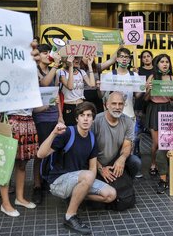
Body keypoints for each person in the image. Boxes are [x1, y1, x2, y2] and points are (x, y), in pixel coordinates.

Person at [37, 102, 116, 235]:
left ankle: (76, 196)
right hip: (58, 182)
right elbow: (40, 154)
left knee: (111, 195)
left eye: (89, 115)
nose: (85, 118)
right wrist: (53, 133)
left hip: (78, 180)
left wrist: (87, 184)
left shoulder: (91, 138)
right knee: (89, 176)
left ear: (93, 119)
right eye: (82, 115)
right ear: (76, 118)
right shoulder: (68, 133)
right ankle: (70, 216)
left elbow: (93, 167)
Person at [33, 43, 64, 204]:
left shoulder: (56, 73)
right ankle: (37, 186)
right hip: (41, 118)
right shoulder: (35, 72)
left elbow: (56, 95)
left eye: (48, 52)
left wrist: (60, 116)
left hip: (53, 117)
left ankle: (48, 180)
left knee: (54, 151)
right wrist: (56, 65)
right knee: (40, 153)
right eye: (43, 53)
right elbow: (45, 84)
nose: (46, 55)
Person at [93, 92, 142, 182]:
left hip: (116, 161)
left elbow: (127, 145)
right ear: (107, 104)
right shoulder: (96, 121)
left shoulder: (128, 121)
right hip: (97, 162)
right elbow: (88, 151)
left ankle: (127, 183)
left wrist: (122, 159)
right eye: (114, 103)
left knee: (135, 162)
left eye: (120, 104)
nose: (117, 107)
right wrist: (100, 169)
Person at [144, 54, 173, 176]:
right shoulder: (152, 77)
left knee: (166, 141)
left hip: (168, 109)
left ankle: (164, 164)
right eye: (162, 62)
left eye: (167, 61)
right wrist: (149, 89)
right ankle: (153, 163)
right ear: (157, 64)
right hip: (154, 109)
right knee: (156, 142)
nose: (165, 64)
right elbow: (145, 98)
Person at [59, 55, 95, 126]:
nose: (77, 60)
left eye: (79, 57)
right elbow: (70, 86)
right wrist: (71, 66)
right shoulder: (61, 72)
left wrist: (90, 65)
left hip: (81, 105)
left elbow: (92, 84)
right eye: (74, 57)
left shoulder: (81, 72)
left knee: (81, 127)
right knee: (71, 129)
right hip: (69, 106)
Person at [134, 50, 154, 156]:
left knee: (152, 131)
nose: (146, 58)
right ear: (141, 59)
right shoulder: (138, 71)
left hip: (152, 105)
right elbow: (135, 90)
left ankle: (154, 153)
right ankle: (136, 150)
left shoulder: (156, 70)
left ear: (152, 58)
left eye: (148, 56)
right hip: (139, 104)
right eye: (144, 57)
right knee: (138, 130)